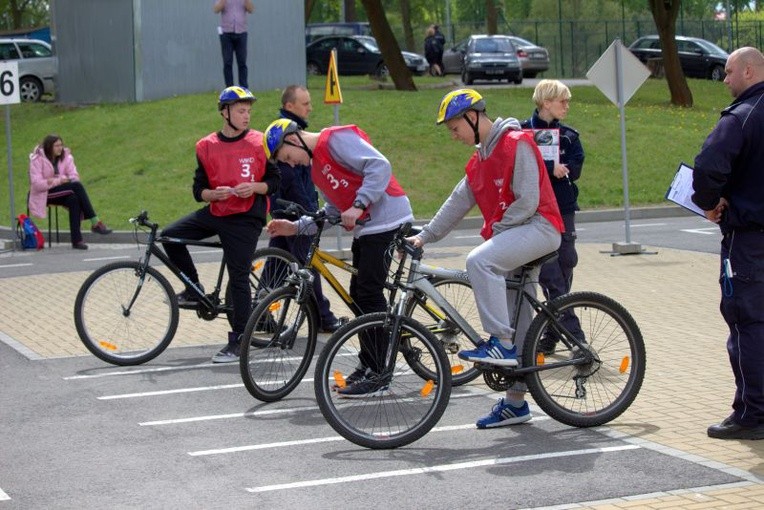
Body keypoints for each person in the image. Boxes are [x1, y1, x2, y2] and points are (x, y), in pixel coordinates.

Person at [409, 89, 563, 428]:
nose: (454, 136)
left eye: (455, 128)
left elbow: (528, 201)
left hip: (540, 226)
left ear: (473, 117)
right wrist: (424, 235)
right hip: (516, 234)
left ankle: (500, 343)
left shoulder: (516, 142)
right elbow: (456, 203)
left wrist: (497, 233)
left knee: (480, 261)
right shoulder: (478, 161)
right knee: (519, 318)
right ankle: (516, 403)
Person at [262, 118, 414, 397]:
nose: (292, 164)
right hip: (367, 228)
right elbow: (332, 211)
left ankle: (380, 372)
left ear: (293, 139)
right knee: (358, 296)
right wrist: (294, 227)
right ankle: (368, 364)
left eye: (287, 157)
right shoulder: (317, 168)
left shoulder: (333, 140)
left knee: (368, 293)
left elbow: (380, 166)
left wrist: (358, 205)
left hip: (388, 219)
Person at [161, 86, 280, 364]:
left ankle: (240, 340)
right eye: (241, 111)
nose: (246, 116)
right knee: (169, 237)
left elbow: (275, 181)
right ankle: (194, 288)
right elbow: (197, 188)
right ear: (224, 112)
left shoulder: (259, 142)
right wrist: (210, 195)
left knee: (238, 276)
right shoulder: (206, 146)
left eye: (249, 111)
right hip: (217, 211)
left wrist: (255, 187)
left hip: (246, 217)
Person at [692, 47, 764, 440]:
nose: (724, 79)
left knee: (748, 324)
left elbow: (707, 167)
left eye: (729, 71)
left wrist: (710, 202)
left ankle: (753, 414)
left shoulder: (742, 116)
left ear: (749, 71)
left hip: (749, 241)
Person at [267, 85, 343, 333]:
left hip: (285, 210)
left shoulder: (290, 132)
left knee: (277, 264)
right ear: (290, 106)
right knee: (308, 265)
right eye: (305, 103)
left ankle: (255, 311)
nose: (310, 108)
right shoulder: (289, 136)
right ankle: (322, 317)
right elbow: (293, 178)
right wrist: (310, 210)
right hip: (294, 211)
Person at [521, 80, 585, 354]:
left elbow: (577, 165)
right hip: (536, 211)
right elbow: (520, 166)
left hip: (564, 207)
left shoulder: (569, 136)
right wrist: (550, 167)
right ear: (546, 102)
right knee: (551, 274)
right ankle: (575, 336)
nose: (567, 106)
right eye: (563, 101)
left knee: (567, 263)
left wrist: (565, 168)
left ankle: (549, 333)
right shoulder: (522, 133)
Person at [28, 134, 112, 250]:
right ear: (48, 147)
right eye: (56, 146)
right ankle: (95, 222)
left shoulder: (66, 157)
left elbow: (74, 176)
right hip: (44, 194)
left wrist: (57, 180)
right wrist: (59, 180)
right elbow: (37, 184)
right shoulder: (37, 159)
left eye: (61, 145)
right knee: (76, 186)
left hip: (62, 190)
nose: (60, 148)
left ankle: (77, 241)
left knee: (74, 199)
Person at [213, 0, 254, 89]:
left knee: (242, 62)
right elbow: (216, 10)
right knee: (227, 63)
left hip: (241, 32)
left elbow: (251, 10)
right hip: (226, 33)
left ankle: (244, 89)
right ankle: (229, 89)